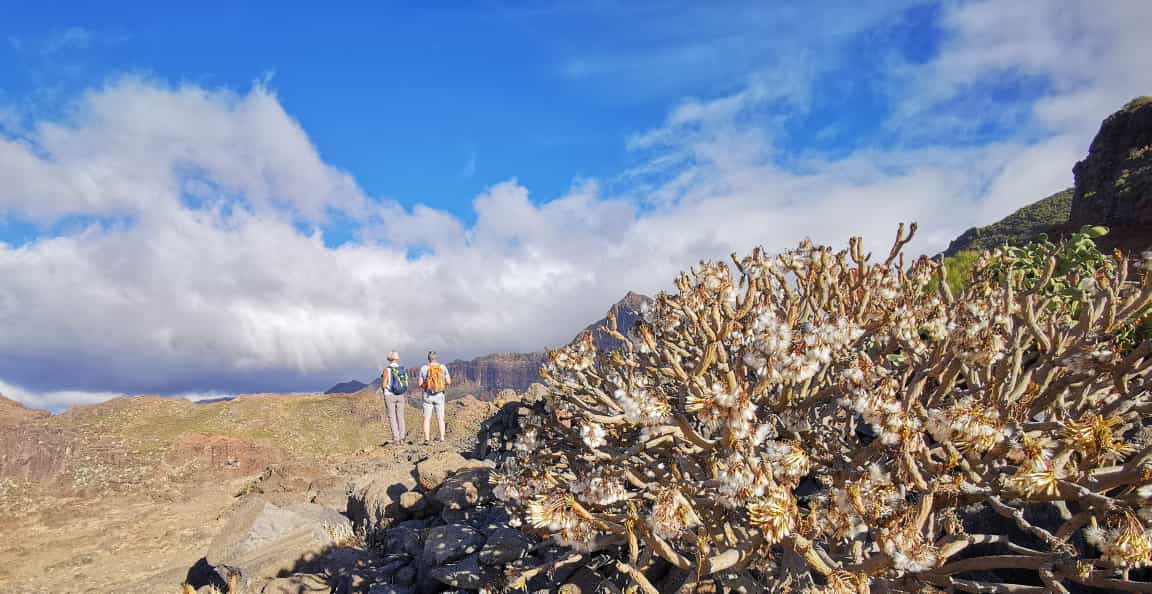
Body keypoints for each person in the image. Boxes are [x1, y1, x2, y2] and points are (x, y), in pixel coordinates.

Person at [419, 350, 451, 443]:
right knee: (440, 418)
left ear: (428, 358)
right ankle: (442, 438)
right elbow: (448, 381)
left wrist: (428, 386)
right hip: (440, 395)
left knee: (426, 418)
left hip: (427, 396)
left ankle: (426, 439)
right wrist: (440, 386)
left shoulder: (424, 368)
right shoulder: (442, 367)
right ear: (436, 358)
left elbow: (420, 384)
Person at [381, 351, 409, 444]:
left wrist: (383, 390)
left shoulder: (386, 369)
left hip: (390, 395)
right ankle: (402, 437)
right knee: (400, 416)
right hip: (400, 395)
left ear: (389, 358)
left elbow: (384, 384)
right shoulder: (402, 369)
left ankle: (396, 438)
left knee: (392, 416)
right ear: (397, 358)